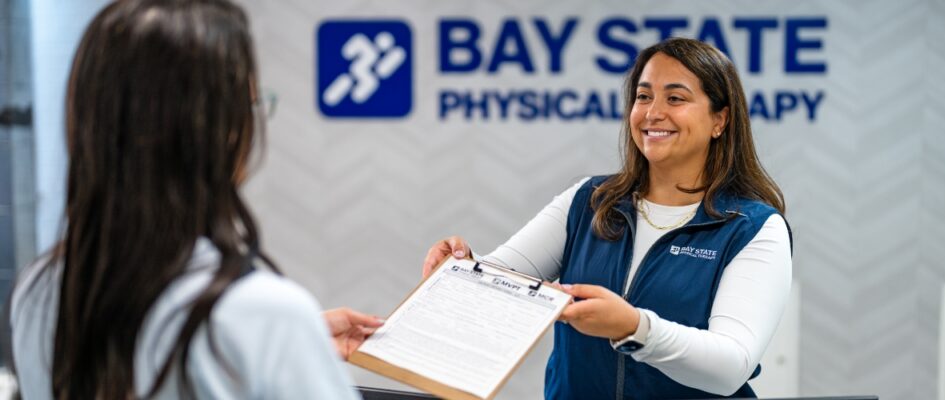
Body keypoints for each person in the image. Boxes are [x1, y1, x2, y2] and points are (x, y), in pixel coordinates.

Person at [8, 0, 380, 398]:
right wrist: (282, 346)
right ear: (221, 131)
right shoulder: (265, 316)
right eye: (250, 105)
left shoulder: (38, 291)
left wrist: (286, 351)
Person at [422, 37, 792, 399]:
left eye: (675, 98)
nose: (652, 113)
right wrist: (460, 269)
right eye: (643, 96)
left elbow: (731, 367)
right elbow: (498, 282)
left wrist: (636, 328)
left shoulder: (753, 227)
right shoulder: (590, 201)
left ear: (719, 120)